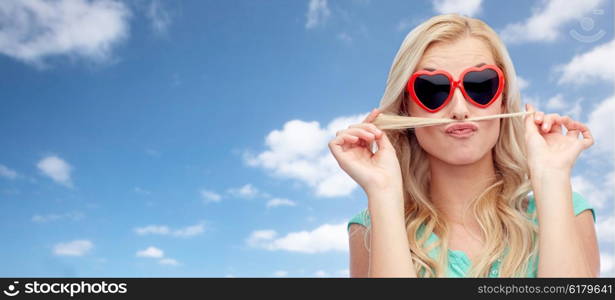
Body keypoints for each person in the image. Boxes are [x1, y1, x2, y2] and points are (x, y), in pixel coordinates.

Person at [328, 14, 599, 278]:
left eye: (480, 85)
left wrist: (551, 177)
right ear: (404, 107)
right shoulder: (369, 227)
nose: (459, 110)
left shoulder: (567, 208)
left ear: (503, 101)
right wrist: (383, 191)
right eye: (433, 89)